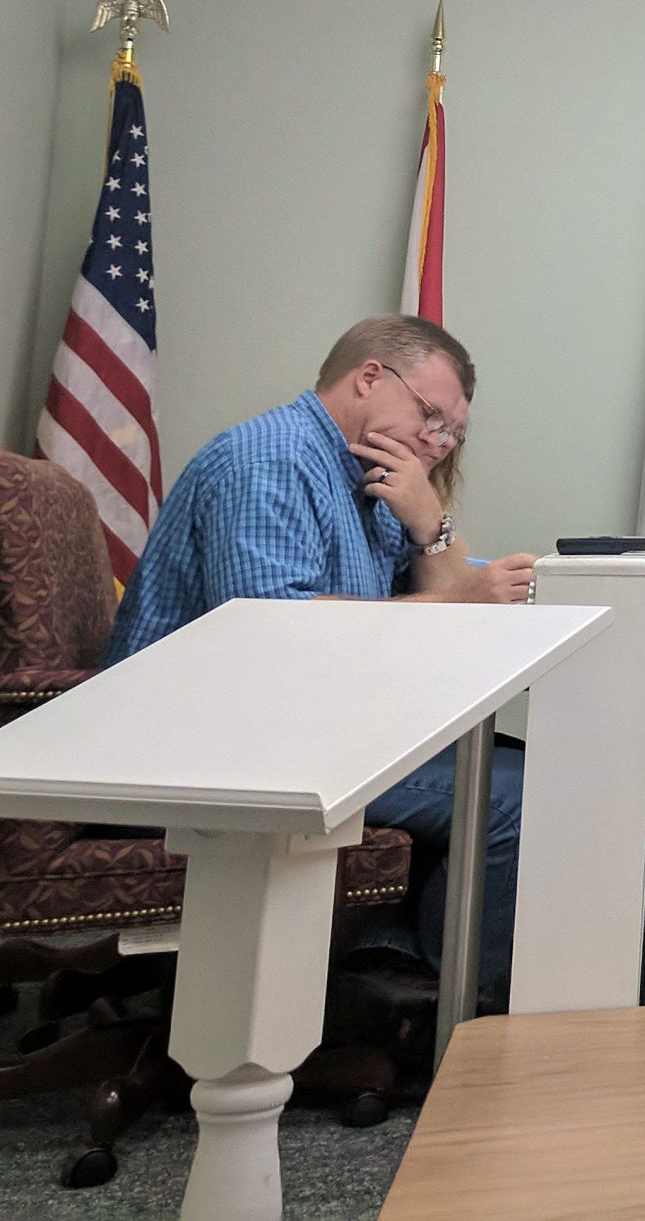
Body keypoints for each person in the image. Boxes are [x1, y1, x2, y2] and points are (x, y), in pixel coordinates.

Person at [104, 315, 537, 992]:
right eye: (431, 416)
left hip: (300, 734)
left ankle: (383, 971)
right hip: (205, 745)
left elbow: (450, 614)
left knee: (518, 765)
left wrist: (430, 523)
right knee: (511, 797)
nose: (438, 442)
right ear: (369, 376)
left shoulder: (370, 477)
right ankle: (451, 1019)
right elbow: (274, 634)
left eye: (452, 433)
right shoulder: (270, 459)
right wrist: (463, 598)